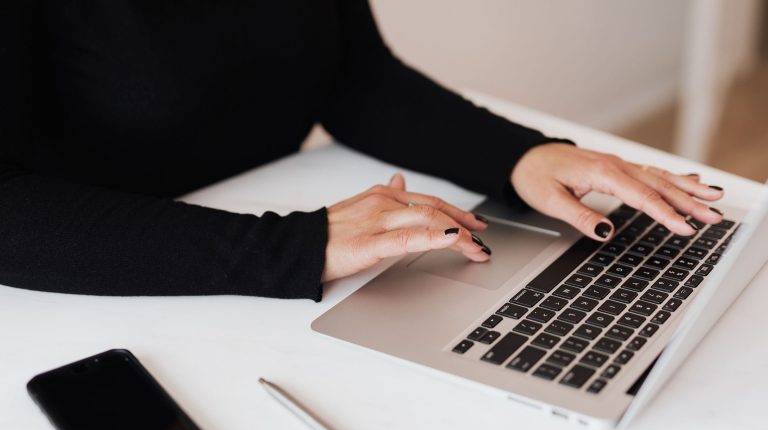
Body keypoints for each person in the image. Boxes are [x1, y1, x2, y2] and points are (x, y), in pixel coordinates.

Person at [1, 1, 724, 301]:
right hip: (100, 285)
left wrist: (521, 157)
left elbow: (350, 76)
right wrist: (294, 247)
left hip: (255, 255)